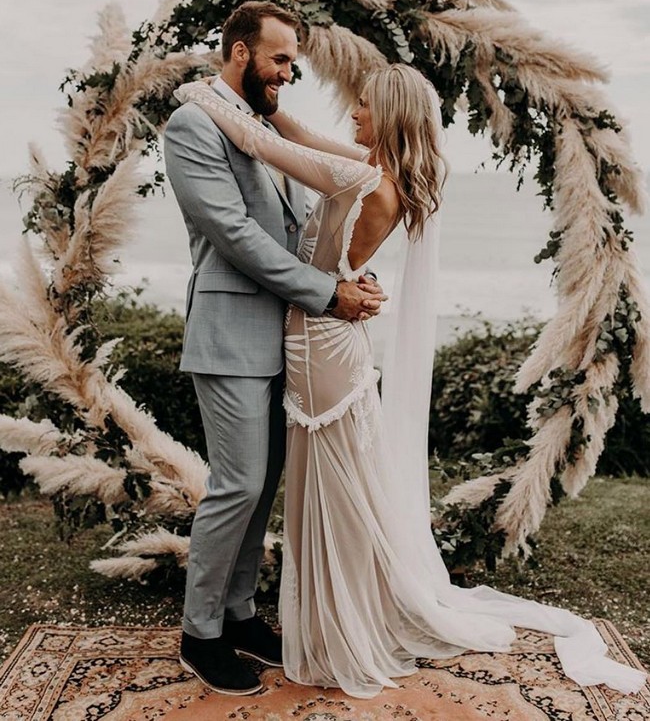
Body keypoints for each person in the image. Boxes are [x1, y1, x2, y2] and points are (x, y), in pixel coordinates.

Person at [174, 62, 647, 699]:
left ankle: (336, 624)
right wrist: (251, 100)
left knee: (328, 492)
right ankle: (316, 615)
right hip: (335, 342)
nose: (354, 115)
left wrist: (196, 91)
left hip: (319, 345)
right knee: (335, 486)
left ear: (390, 115)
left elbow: (263, 143)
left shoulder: (359, 175)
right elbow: (295, 128)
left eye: (365, 106)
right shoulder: (379, 172)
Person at [163, 0, 386, 697]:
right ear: (239, 52)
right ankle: (200, 636)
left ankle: (238, 614)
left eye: (292, 60)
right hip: (230, 333)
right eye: (281, 58)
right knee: (237, 485)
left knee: (262, 490)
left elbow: (298, 224)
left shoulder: (258, 122)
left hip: (286, 337)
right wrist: (327, 294)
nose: (291, 72)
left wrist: (350, 274)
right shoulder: (192, 124)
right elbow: (234, 234)